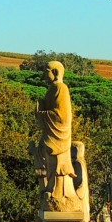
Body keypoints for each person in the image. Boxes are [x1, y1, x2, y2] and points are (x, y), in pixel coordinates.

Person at [34, 61, 76, 203]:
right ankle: (51, 189)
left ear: (56, 72)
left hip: (58, 137)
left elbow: (61, 116)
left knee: (58, 166)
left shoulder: (61, 88)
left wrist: (42, 113)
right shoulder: (52, 89)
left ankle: (58, 193)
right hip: (50, 135)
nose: (44, 75)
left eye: (47, 71)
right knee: (50, 164)